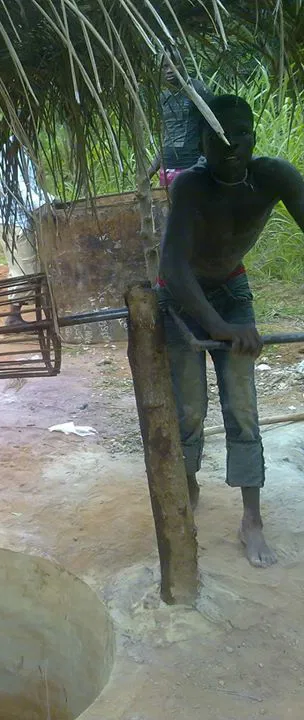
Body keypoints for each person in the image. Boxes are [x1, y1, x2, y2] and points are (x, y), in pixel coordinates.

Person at [158, 94, 304, 568]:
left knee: (242, 406)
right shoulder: (190, 187)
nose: (231, 145)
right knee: (190, 410)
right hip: (181, 298)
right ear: (201, 142)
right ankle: (189, 486)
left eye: (240, 133)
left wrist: (229, 323)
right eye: (218, 136)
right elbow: (174, 269)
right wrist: (218, 327)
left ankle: (252, 519)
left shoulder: (274, 176)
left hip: (231, 291)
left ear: (254, 135)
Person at [0, 136, 50, 325]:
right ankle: (14, 316)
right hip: (17, 221)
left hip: (6, 219)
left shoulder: (12, 148)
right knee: (27, 272)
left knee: (17, 270)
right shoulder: (14, 151)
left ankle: (16, 315)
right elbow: (20, 189)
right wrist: (46, 203)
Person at [148, 53, 214, 188]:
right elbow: (166, 137)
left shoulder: (199, 91)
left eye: (174, 64)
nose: (169, 70)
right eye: (165, 66)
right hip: (168, 168)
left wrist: (205, 162)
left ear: (183, 63)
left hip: (193, 166)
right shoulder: (163, 98)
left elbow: (215, 129)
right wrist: (149, 172)